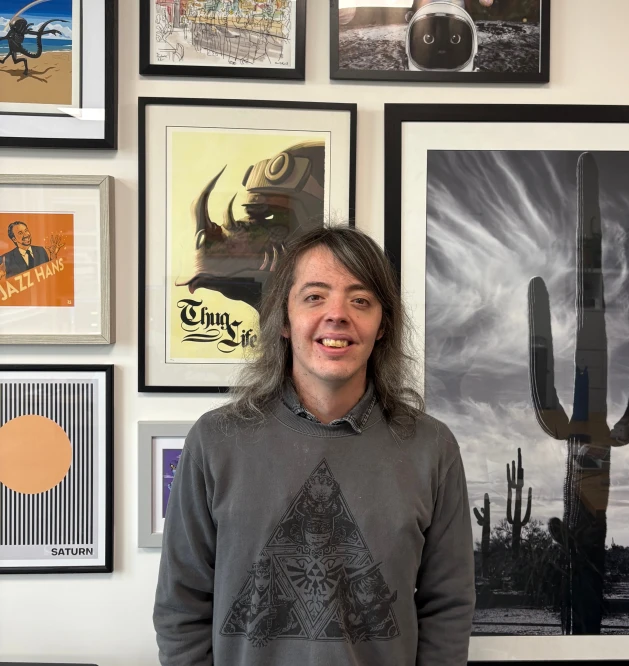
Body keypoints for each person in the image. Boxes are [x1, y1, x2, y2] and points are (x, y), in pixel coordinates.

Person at [154, 225, 476, 665]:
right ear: (284, 321)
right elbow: (181, 606)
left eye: (360, 300)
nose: (337, 314)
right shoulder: (214, 441)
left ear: (383, 325)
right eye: (314, 296)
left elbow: (448, 609)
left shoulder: (432, 447)